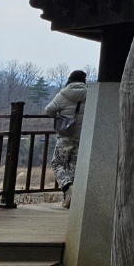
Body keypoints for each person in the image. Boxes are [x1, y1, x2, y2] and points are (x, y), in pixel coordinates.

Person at [46, 70, 88, 209]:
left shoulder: (63, 94)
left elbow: (49, 111)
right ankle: (72, 200)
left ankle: (67, 187)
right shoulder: (90, 93)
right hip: (83, 137)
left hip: (65, 136)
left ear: (70, 79)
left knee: (57, 163)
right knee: (74, 166)